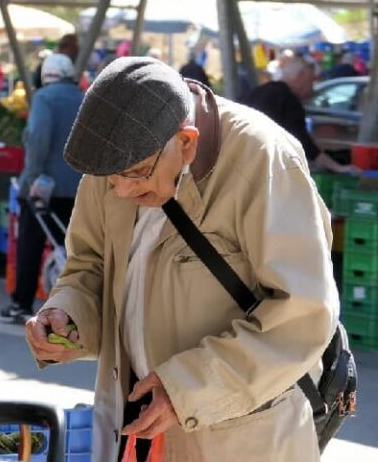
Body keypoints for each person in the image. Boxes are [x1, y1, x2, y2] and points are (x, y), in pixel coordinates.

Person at [25, 57, 338, 461]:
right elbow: (89, 265)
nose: (119, 191)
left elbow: (304, 314)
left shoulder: (263, 157)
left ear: (187, 142)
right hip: (132, 428)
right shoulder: (113, 157)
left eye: (136, 173)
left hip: (237, 437)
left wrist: (186, 389)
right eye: (111, 179)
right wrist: (67, 316)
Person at [0, 53, 83, 322]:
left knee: (31, 244)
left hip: (45, 186)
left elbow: (38, 140)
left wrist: (31, 178)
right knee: (75, 248)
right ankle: (74, 305)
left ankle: (21, 303)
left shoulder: (44, 98)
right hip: (80, 187)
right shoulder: (84, 98)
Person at [242, 55, 359, 175]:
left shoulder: (256, 93)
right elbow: (300, 141)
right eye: (311, 80)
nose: (312, 88)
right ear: (300, 76)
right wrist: (337, 167)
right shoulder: (289, 100)